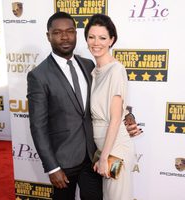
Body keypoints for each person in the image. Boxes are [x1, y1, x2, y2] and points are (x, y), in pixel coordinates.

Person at [27, 12, 141, 200]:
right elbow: (38, 127)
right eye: (57, 32)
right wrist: (52, 167)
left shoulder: (89, 65)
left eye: (70, 31)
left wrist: (126, 116)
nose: (65, 37)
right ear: (48, 36)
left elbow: (110, 99)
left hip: (94, 157)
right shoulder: (39, 76)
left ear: (76, 34)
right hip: (64, 162)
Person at [84, 14, 136, 200]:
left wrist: (105, 157)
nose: (96, 42)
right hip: (104, 148)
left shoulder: (116, 70)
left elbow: (115, 119)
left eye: (102, 38)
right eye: (92, 37)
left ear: (112, 40)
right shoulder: (94, 71)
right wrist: (101, 155)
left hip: (115, 149)